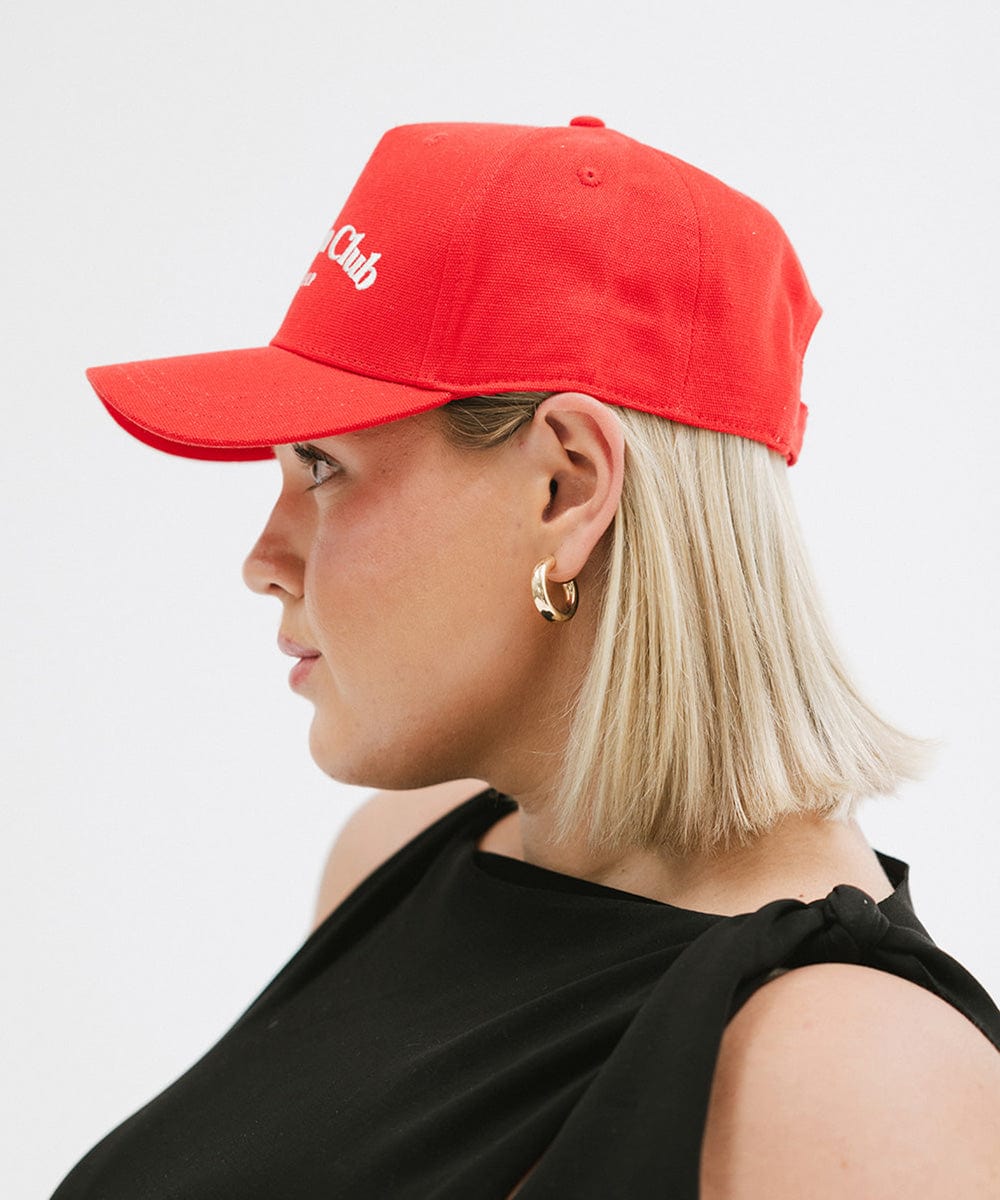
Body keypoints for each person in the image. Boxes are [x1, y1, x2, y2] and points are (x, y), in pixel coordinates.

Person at [56, 117, 999, 1199]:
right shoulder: (399, 855)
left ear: (565, 488)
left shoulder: (859, 1084)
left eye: (320, 465)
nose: (261, 562)